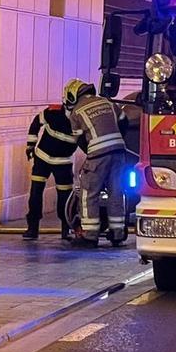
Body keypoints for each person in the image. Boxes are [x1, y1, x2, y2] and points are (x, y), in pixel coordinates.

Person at [63, 78, 128, 248]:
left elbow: (80, 141)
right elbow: (124, 121)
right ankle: (117, 233)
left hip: (98, 154)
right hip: (119, 150)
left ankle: (90, 235)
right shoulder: (107, 102)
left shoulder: (77, 112)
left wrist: (92, 153)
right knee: (117, 191)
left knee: (88, 192)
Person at [23, 104, 79, 241]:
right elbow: (36, 122)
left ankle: (66, 228)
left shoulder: (80, 119)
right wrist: (30, 145)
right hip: (43, 158)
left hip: (63, 162)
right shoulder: (53, 112)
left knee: (65, 197)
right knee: (36, 193)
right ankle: (32, 228)